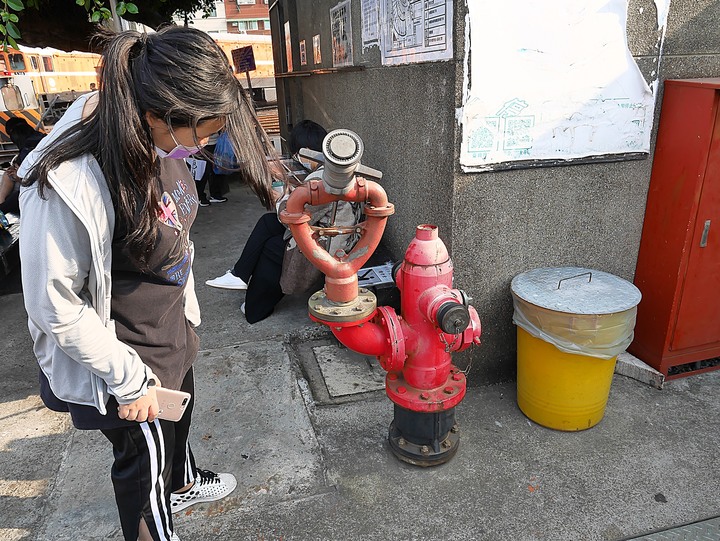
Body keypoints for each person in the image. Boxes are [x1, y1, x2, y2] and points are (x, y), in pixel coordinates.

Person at [18, 27, 274, 541]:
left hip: (170, 328)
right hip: (127, 359)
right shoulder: (69, 178)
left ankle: (183, 480)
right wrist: (127, 379)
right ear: (158, 115)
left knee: (177, 430)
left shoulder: (150, 131)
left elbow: (175, 230)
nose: (201, 147)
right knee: (142, 478)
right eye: (200, 133)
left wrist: (188, 316)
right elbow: (55, 303)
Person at [205, 119, 362, 324]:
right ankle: (240, 275)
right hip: (331, 235)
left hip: (327, 246)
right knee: (268, 223)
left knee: (272, 245)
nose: (297, 158)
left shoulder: (323, 180)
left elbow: (293, 217)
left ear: (306, 151)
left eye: (298, 153)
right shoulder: (340, 172)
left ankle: (254, 305)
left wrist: (279, 198)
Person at [0, 117, 46, 214]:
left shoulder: (27, 148)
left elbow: (31, 180)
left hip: (39, 188)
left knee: (8, 177)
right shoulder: (42, 137)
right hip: (43, 183)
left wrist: (18, 177)